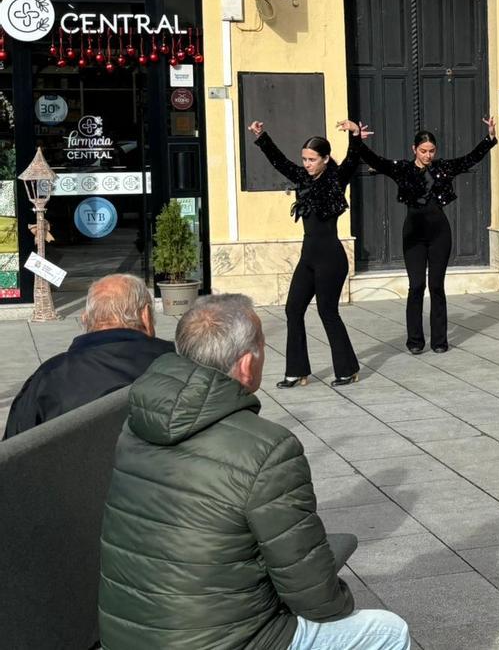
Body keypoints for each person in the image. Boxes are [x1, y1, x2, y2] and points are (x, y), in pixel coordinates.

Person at [97, 294, 411, 649]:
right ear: (247, 365)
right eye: (263, 346)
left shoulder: (137, 425)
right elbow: (314, 593)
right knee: (387, 631)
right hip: (227, 640)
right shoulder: (269, 450)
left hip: (124, 638)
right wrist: (336, 601)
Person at [343, 118, 497, 355]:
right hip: (413, 235)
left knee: (436, 286)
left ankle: (439, 340)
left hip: (440, 234)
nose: (428, 155)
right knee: (416, 286)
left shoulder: (443, 167)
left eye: (432, 151)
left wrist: (489, 138)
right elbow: (375, 160)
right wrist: (354, 137)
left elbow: (470, 158)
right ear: (414, 149)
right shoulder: (403, 169)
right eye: (423, 151)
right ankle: (415, 341)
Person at [250, 120, 362, 387]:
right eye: (304, 159)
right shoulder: (302, 178)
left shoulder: (336, 178)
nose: (307, 164)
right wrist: (262, 136)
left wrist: (355, 134)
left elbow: (352, 159)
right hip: (308, 258)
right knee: (293, 309)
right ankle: (297, 371)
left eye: (312, 159)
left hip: (331, 258)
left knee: (327, 311)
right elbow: (279, 162)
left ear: (325, 159)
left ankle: (347, 369)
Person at [3, 274, 173, 439]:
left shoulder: (49, 378)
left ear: (85, 320)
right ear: (146, 316)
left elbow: (13, 452)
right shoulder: (182, 365)